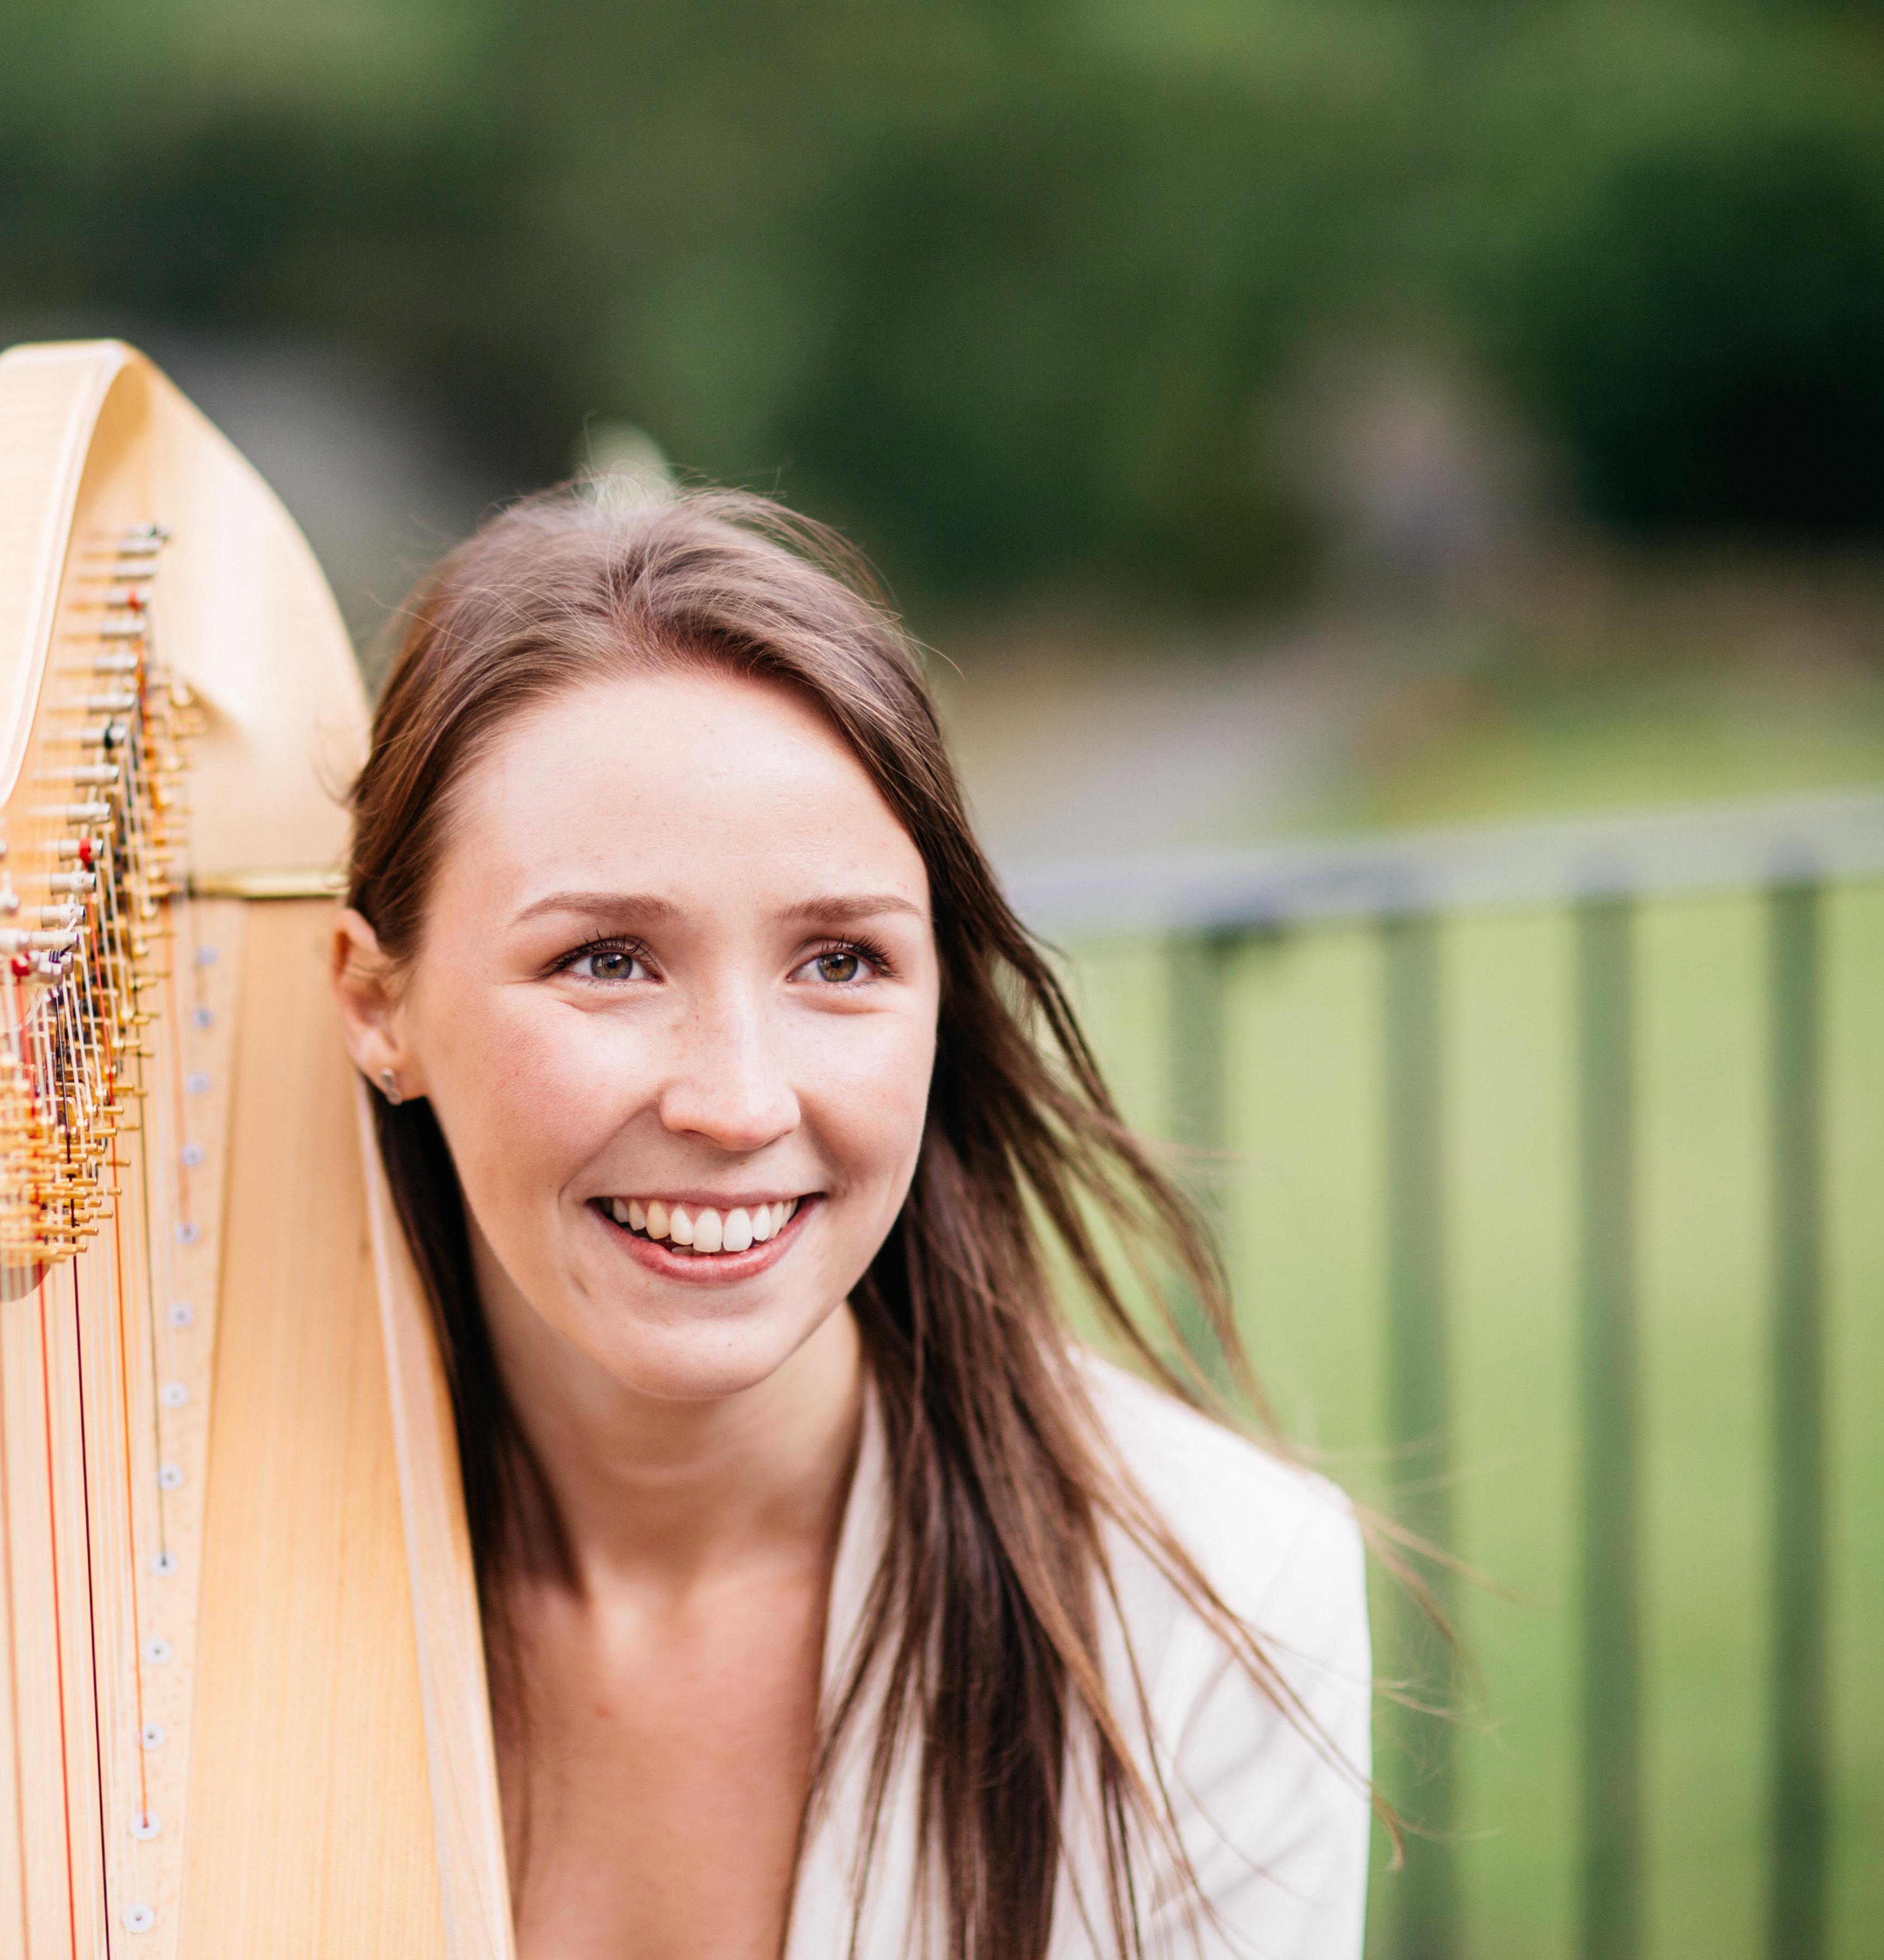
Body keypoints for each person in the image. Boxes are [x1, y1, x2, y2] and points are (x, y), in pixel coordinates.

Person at [329, 487, 1372, 1960]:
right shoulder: (158, 1601)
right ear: (379, 1005)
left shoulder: (1220, 1603)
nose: (740, 1102)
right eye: (609, 959)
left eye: (839, 959)